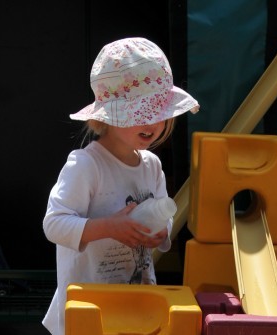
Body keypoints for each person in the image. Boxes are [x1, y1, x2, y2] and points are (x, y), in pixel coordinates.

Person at [41, 37, 199, 335]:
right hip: (88, 308)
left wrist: (161, 232)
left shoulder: (151, 166)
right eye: (140, 113)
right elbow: (54, 224)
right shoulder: (87, 165)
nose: (152, 123)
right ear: (108, 118)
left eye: (159, 113)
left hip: (135, 302)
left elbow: (165, 218)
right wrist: (109, 227)